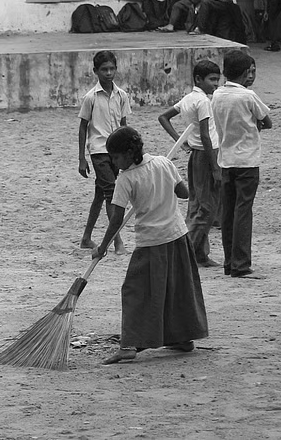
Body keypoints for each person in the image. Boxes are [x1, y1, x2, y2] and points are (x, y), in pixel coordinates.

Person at [92, 126, 209, 364]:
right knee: (177, 289)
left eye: (115, 157)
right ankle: (183, 338)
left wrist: (103, 245)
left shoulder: (126, 179)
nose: (114, 163)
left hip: (151, 242)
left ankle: (128, 345)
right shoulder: (163, 163)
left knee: (134, 292)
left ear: (128, 153)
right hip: (177, 235)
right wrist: (162, 185)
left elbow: (116, 218)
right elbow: (184, 192)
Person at [211, 49, 272, 278]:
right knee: (243, 211)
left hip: (226, 159)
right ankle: (241, 264)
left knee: (228, 212)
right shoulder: (248, 96)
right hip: (247, 160)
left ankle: (229, 262)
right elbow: (267, 121)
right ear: (247, 72)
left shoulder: (217, 95)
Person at [159, 59, 222, 267]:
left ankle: (201, 254)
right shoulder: (203, 101)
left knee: (197, 205)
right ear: (198, 79)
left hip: (195, 155)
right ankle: (188, 253)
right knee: (207, 208)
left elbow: (164, 117)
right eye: (212, 79)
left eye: (217, 80)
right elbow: (206, 135)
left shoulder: (188, 99)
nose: (215, 84)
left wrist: (180, 140)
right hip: (206, 154)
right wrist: (215, 167)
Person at [78, 50, 130, 253]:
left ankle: (86, 237)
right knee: (111, 194)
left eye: (111, 69)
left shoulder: (122, 95)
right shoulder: (90, 97)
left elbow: (124, 125)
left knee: (100, 194)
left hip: (116, 152)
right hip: (98, 150)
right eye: (104, 70)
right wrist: (82, 158)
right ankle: (117, 242)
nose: (108, 73)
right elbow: (83, 126)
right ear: (96, 72)